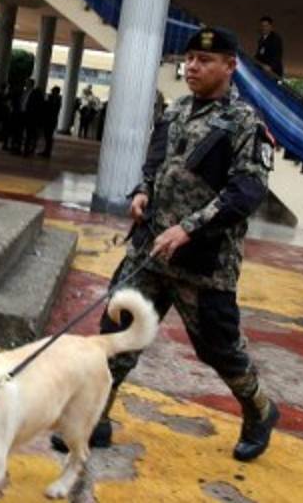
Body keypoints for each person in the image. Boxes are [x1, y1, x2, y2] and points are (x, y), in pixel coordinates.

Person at [52, 26, 279, 462]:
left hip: (204, 263)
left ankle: (259, 410)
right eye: (189, 58)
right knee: (117, 334)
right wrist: (142, 192)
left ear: (230, 66)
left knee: (220, 351)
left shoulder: (244, 124)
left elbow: (246, 192)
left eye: (204, 60)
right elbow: (155, 165)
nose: (191, 67)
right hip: (151, 252)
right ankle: (95, 419)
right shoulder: (175, 111)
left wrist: (188, 228)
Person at [253, 15, 284, 79]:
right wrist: (253, 60)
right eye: (262, 26)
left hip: (273, 72)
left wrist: (271, 66)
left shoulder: (276, 39)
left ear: (271, 27)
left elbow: (277, 55)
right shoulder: (261, 40)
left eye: (266, 26)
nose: (264, 28)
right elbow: (260, 54)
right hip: (263, 71)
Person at [41, 85, 62, 158]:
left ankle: (47, 151)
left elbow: (53, 109)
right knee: (47, 136)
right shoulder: (51, 98)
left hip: (51, 120)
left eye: (53, 91)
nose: (52, 92)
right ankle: (46, 150)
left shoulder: (57, 99)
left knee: (49, 136)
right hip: (48, 119)